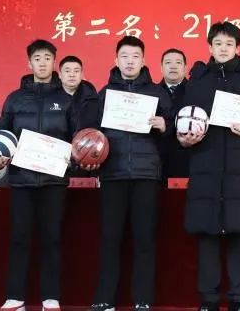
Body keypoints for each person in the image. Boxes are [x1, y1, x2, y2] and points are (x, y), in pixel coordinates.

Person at [178, 21, 240, 311]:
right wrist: (183, 137)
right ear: (210, 47)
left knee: (238, 234)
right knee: (207, 233)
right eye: (218, 44)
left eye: (229, 44)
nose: (223, 49)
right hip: (205, 164)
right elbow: (183, 117)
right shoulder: (198, 78)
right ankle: (208, 300)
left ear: (238, 47)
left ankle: (237, 300)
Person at [0, 40, 77, 311]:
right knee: (19, 237)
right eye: (37, 58)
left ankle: (51, 296)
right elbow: (0, 136)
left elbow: (76, 138)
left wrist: (75, 157)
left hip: (54, 181)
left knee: (52, 237)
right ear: (29, 63)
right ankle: (15, 297)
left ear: (54, 62)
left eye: (47, 58)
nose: (42, 63)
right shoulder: (15, 99)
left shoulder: (66, 99)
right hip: (21, 180)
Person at [87, 36, 173, 311]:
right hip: (113, 173)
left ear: (143, 60)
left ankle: (143, 300)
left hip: (147, 175)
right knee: (110, 238)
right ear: (116, 60)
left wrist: (165, 125)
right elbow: (91, 131)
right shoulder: (104, 94)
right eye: (124, 56)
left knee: (144, 239)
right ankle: (104, 299)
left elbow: (174, 132)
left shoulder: (158, 93)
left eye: (135, 56)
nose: (130, 61)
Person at [159, 48, 190, 178]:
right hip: (158, 162)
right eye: (168, 62)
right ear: (161, 68)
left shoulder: (196, 91)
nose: (173, 66)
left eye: (178, 62)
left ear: (185, 67)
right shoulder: (151, 92)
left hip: (189, 160)